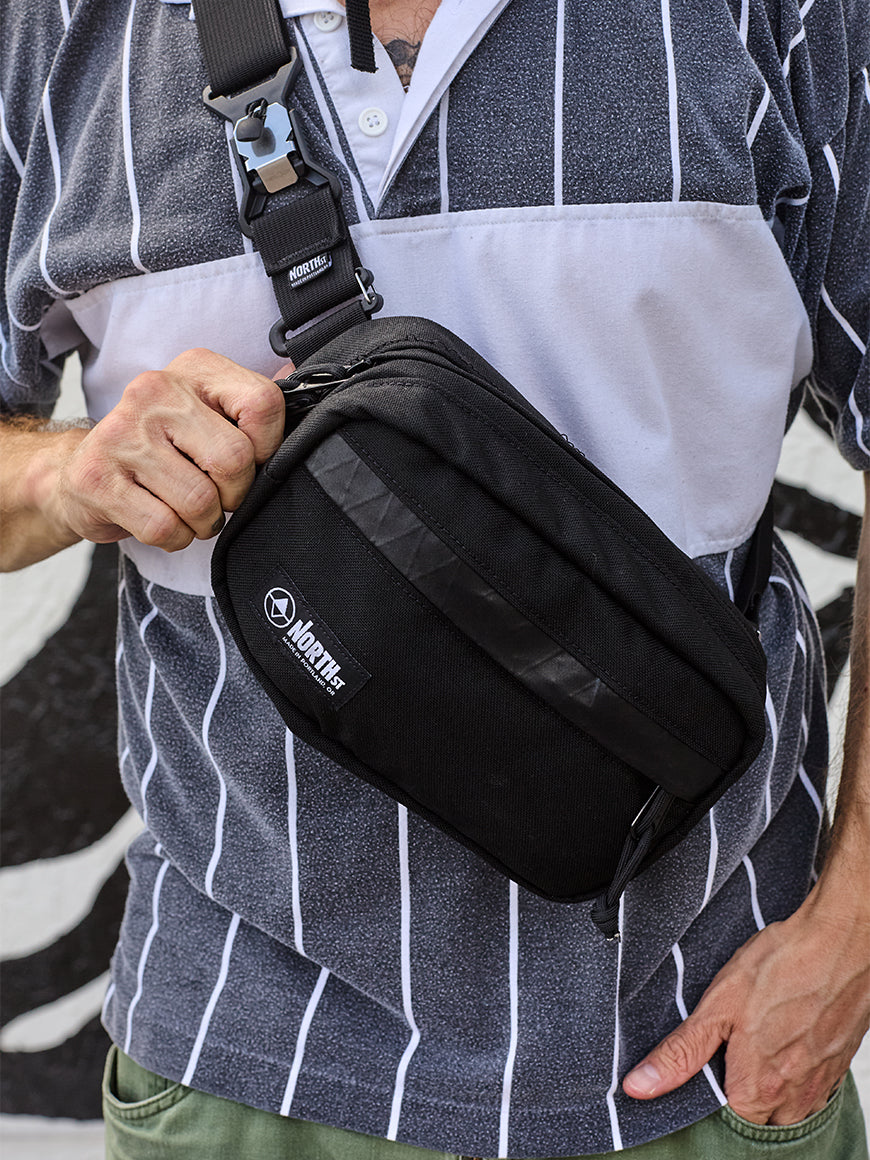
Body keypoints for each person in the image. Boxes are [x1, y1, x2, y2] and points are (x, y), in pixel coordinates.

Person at [2, 0, 869, 1156]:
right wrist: (66, 471)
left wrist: (851, 933)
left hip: (708, 1062)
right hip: (244, 1073)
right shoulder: (52, 27)